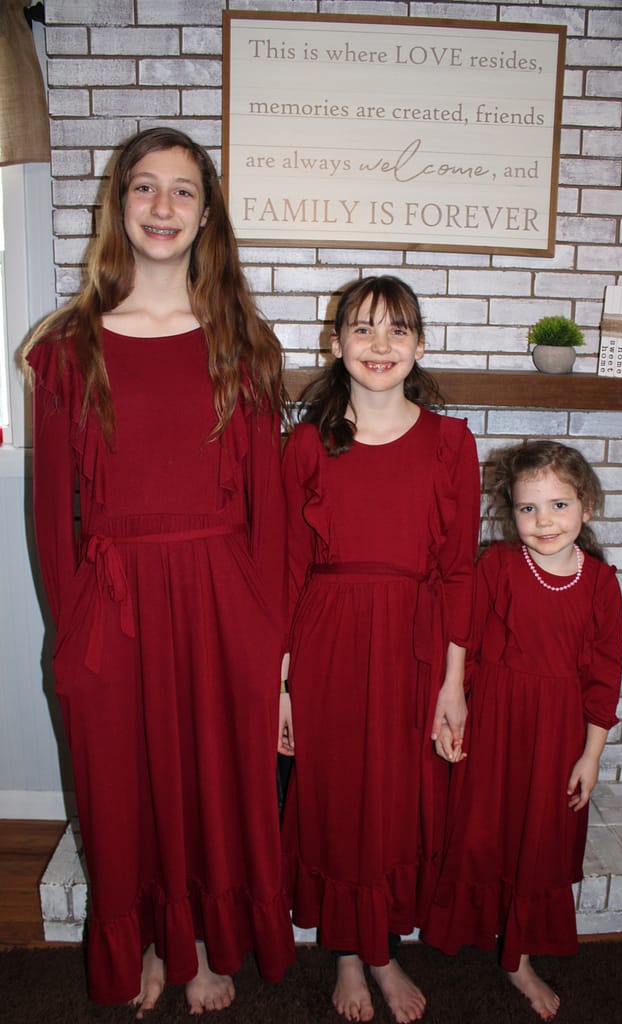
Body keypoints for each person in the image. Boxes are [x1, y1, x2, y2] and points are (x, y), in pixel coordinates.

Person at [23, 127, 294, 1015]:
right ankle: (145, 941)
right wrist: (72, 631)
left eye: (182, 191)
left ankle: (205, 947)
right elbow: (49, 511)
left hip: (221, 600)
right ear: (119, 205)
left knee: (212, 784)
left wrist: (271, 642)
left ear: (207, 213)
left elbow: (269, 512)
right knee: (119, 788)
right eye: (145, 188)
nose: (163, 207)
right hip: (114, 600)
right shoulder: (64, 348)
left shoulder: (242, 344)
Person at [277, 276, 480, 1023]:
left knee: (394, 802)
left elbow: (459, 571)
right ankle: (345, 954)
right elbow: (285, 573)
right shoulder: (304, 446)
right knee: (335, 800)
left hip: (414, 646)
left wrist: (452, 685)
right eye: (362, 330)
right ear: (336, 345)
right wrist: (281, 688)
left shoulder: (451, 442)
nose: (379, 345)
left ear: (419, 346)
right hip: (326, 642)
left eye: (397, 330)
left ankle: (382, 947)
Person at [423, 440, 622, 1021]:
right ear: (510, 512)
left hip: (559, 734)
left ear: (586, 506)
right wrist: (452, 706)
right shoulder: (499, 566)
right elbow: (467, 645)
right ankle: (477, 927)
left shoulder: (601, 584)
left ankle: (519, 957)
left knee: (540, 840)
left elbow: (604, 679)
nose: (544, 522)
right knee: (486, 828)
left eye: (559, 506)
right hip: (497, 722)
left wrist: (591, 757)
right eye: (528, 509)